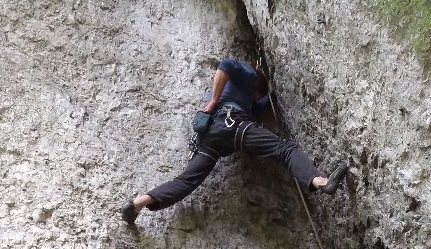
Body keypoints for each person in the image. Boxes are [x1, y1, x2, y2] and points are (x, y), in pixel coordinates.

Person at [121, 57, 348, 224]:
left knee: (187, 181)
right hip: (232, 124)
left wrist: (269, 95)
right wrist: (212, 102)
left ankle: (139, 203)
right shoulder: (249, 76)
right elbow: (226, 65)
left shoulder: (249, 98)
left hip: (211, 141)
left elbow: (261, 104)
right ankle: (319, 181)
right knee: (286, 149)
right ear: (257, 85)